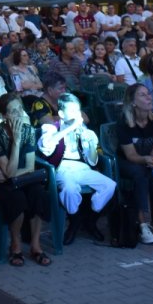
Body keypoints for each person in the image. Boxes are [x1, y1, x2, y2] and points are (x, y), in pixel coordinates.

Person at [0, 93, 52, 266]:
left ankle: (35, 245)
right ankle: (15, 246)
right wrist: (16, 141)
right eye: (14, 111)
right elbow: (9, 172)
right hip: (3, 184)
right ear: (3, 116)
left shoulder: (28, 130)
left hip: (22, 178)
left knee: (39, 194)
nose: (19, 114)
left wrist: (9, 173)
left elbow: (28, 166)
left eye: (20, 109)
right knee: (17, 199)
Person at [37, 93, 115, 244]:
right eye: (72, 111)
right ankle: (75, 220)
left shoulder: (84, 129)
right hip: (62, 168)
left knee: (109, 185)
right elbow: (46, 146)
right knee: (70, 189)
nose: (76, 115)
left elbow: (92, 160)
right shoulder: (51, 127)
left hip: (82, 168)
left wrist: (90, 144)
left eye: (77, 111)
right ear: (61, 114)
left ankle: (90, 219)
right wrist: (70, 129)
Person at [111, 83, 153, 244]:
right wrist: (146, 159)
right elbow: (131, 155)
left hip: (148, 158)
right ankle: (143, 224)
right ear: (133, 102)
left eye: (148, 94)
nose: (149, 97)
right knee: (140, 173)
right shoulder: (124, 123)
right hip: (128, 161)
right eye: (143, 95)